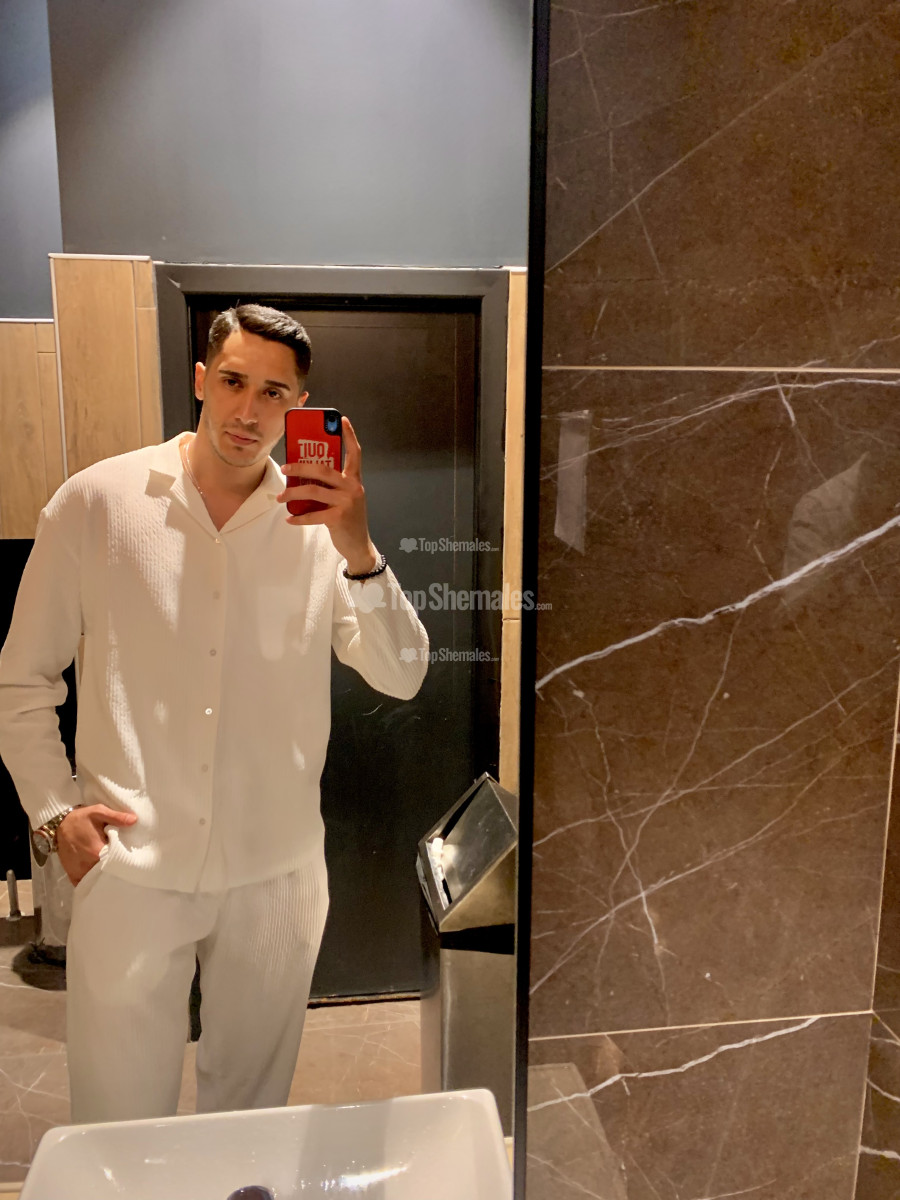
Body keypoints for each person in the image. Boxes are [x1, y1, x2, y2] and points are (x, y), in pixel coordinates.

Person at [0, 304, 428, 1123]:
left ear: (300, 407)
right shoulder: (98, 503)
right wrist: (54, 814)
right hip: (131, 865)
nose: (248, 411)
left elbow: (403, 674)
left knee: (250, 1119)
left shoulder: (319, 527)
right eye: (233, 382)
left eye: (274, 393)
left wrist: (359, 546)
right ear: (201, 379)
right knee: (118, 1122)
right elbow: (21, 679)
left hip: (277, 872)